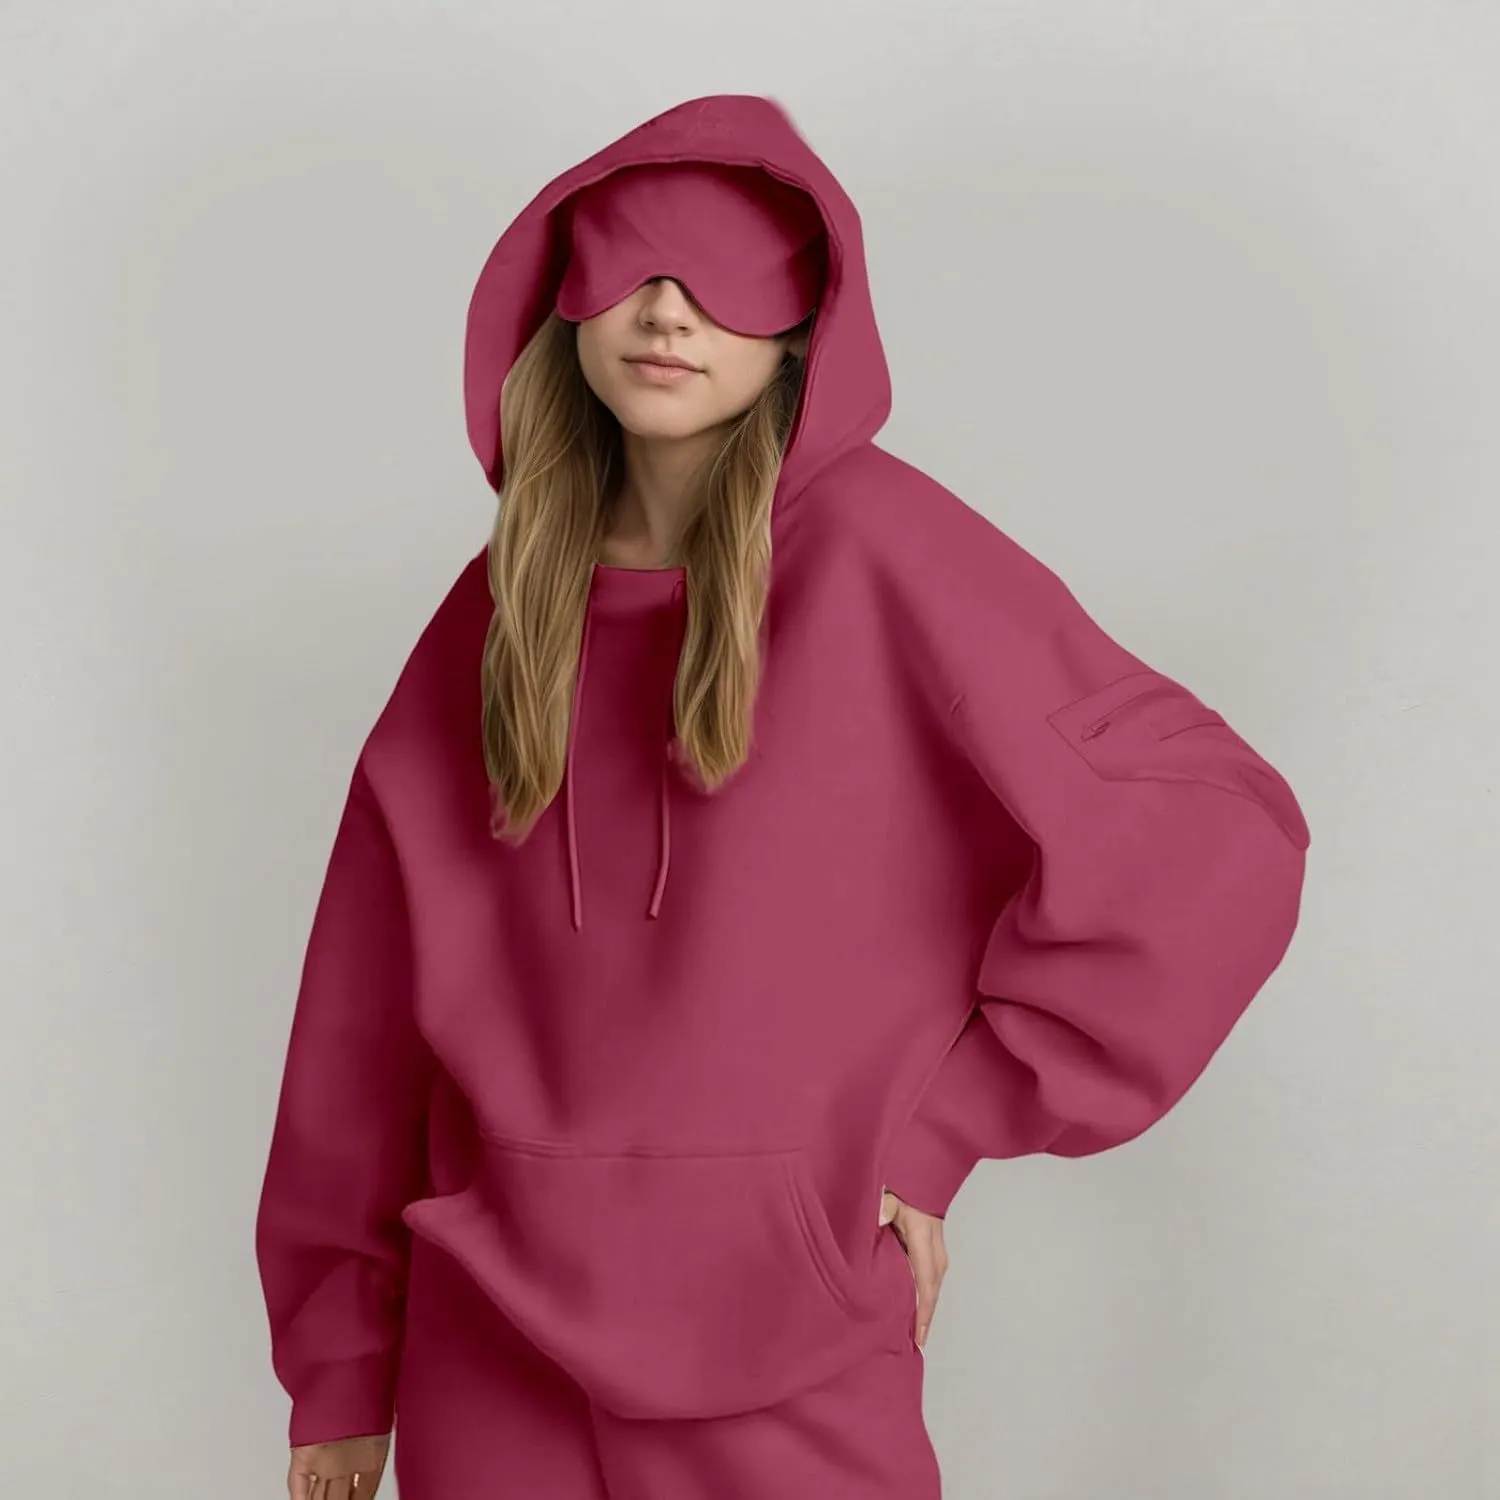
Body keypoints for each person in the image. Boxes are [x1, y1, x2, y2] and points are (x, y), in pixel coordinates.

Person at [254, 93, 1311, 1500]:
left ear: (808, 322)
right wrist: (341, 1366)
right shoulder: (502, 605)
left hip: (788, 1328)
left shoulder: (888, 554)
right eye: (631, 266)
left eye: (721, 278)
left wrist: (946, 1126)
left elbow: (1210, 834)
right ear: (560, 299)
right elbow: (362, 1016)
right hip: (486, 1337)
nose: (666, 312)